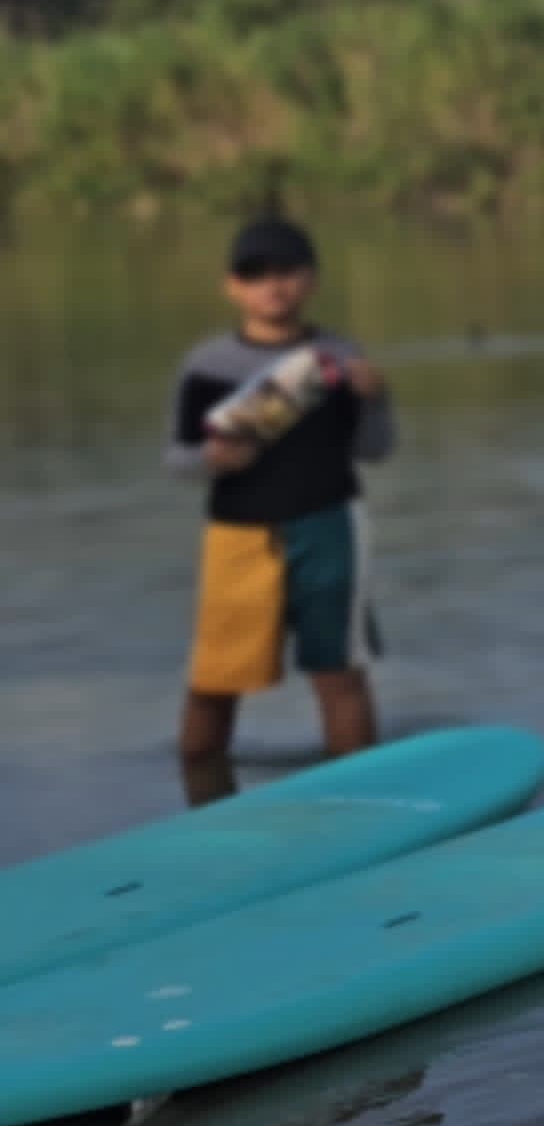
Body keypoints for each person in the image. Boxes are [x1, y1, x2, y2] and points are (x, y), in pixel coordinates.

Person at [166, 215, 395, 805]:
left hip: (330, 525)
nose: (273, 286)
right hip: (237, 535)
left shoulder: (339, 357)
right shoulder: (208, 364)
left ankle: (365, 807)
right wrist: (212, 456)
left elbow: (375, 450)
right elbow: (178, 459)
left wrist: (375, 400)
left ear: (311, 281)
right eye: (256, 274)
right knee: (213, 681)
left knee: (339, 674)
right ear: (232, 287)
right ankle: (199, 806)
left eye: (287, 272)